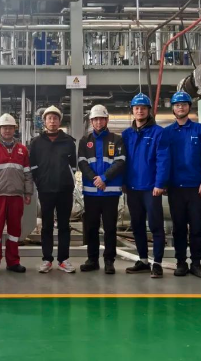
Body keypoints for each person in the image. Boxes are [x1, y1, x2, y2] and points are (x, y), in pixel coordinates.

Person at [163, 91, 201, 279]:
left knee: (196, 227)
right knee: (178, 227)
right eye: (177, 105)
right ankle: (181, 262)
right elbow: (162, 159)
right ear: (173, 109)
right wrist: (163, 182)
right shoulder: (167, 133)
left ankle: (196, 263)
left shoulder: (200, 130)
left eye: (184, 104)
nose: (180, 107)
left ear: (189, 107)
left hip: (197, 188)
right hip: (175, 188)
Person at [0, 114, 33, 276]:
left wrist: (28, 192)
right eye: (4, 128)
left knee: (14, 232)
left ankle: (13, 262)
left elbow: (27, 174)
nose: (7, 130)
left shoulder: (22, 150)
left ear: (14, 129)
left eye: (10, 127)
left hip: (16, 196)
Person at [122, 93, 169, 279]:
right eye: (136, 108)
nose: (139, 111)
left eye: (143, 108)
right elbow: (122, 161)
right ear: (132, 111)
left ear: (149, 111)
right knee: (137, 225)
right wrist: (124, 182)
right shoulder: (126, 134)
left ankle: (157, 263)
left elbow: (163, 160)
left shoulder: (158, 133)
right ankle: (143, 260)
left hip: (151, 188)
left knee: (156, 226)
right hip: (132, 188)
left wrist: (160, 183)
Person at [77, 104, 126, 274]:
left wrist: (104, 178)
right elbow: (82, 163)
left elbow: (120, 161)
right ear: (91, 121)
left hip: (110, 192)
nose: (98, 122)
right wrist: (95, 180)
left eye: (101, 119)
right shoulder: (85, 141)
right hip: (91, 193)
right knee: (91, 227)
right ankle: (92, 260)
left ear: (107, 120)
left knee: (110, 228)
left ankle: (109, 261)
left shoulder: (117, 139)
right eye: (95, 119)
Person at [29, 105, 77, 273]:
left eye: (55, 118)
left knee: (64, 226)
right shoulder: (36, 143)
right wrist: (40, 182)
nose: (52, 121)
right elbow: (33, 166)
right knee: (46, 226)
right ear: (44, 121)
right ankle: (47, 259)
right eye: (49, 118)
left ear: (59, 121)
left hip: (65, 190)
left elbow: (73, 167)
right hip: (46, 190)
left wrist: (68, 182)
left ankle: (63, 260)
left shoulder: (68, 142)